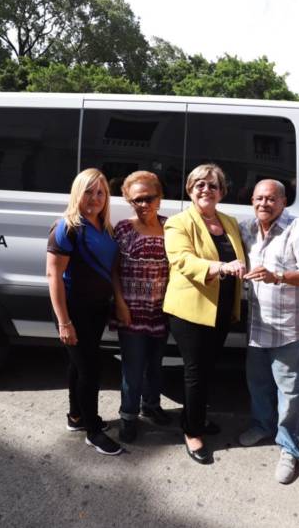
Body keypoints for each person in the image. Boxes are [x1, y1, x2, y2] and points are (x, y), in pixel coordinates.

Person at [163, 163, 246, 465]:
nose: (206, 189)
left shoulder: (230, 222)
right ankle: (192, 431)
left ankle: (195, 416)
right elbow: (182, 260)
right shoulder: (178, 223)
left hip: (221, 309)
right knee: (195, 372)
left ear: (222, 191)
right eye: (199, 184)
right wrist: (221, 268)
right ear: (189, 189)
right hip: (190, 310)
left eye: (213, 185)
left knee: (208, 369)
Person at [238, 179, 299, 484]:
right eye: (258, 198)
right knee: (258, 382)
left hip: (289, 328)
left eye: (271, 199)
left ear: (284, 201)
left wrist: (277, 276)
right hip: (258, 325)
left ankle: (289, 447)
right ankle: (262, 426)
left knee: (291, 392)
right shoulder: (247, 229)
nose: (264, 204)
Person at [46, 168, 122, 456]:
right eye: (89, 191)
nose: (95, 198)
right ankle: (93, 430)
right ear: (78, 193)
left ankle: (76, 417)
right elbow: (53, 277)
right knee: (90, 369)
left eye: (101, 192)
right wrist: (64, 322)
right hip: (73, 310)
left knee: (78, 366)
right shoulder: (67, 227)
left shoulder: (104, 227)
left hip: (96, 309)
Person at [111, 171, 171, 443]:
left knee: (156, 365)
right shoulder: (123, 228)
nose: (144, 204)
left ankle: (152, 405)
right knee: (132, 368)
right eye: (137, 200)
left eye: (149, 198)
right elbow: (112, 269)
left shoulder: (172, 228)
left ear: (160, 197)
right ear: (129, 201)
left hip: (161, 310)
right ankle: (128, 416)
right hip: (131, 311)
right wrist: (120, 304)